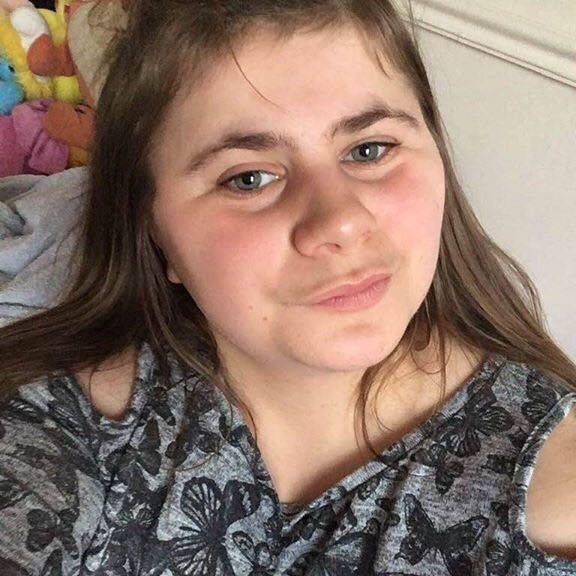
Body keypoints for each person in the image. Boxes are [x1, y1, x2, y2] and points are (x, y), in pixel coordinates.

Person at [0, 0, 575, 573]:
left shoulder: (555, 499)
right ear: (154, 231)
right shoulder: (65, 423)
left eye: (369, 149)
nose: (340, 221)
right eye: (248, 178)